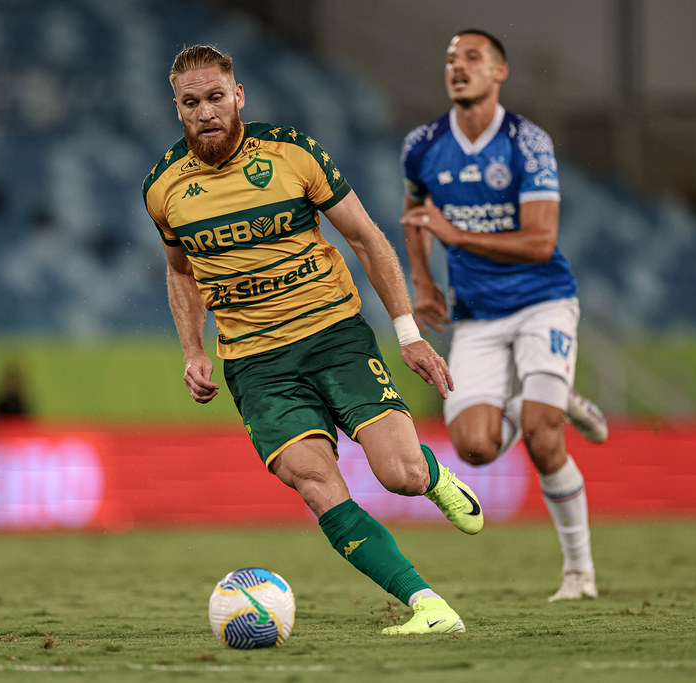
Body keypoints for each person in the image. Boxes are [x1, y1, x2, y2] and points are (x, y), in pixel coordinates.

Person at [143, 44, 483, 635]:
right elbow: (180, 271)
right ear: (177, 109)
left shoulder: (293, 153)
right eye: (191, 102)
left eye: (216, 97)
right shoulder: (163, 188)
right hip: (255, 365)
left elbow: (369, 239)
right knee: (315, 480)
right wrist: (193, 350)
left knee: (397, 474)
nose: (206, 112)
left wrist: (409, 335)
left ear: (238, 96)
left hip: (333, 337)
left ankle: (432, 475)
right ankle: (427, 604)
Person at [399, 29, 610, 601]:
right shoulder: (423, 144)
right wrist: (421, 279)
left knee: (544, 441)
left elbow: (542, 241)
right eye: (450, 60)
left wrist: (454, 235)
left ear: (499, 72)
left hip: (542, 302)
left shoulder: (527, 141)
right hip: (477, 316)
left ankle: (578, 574)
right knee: (473, 448)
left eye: (472, 58)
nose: (458, 67)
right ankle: (550, 396)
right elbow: (414, 211)